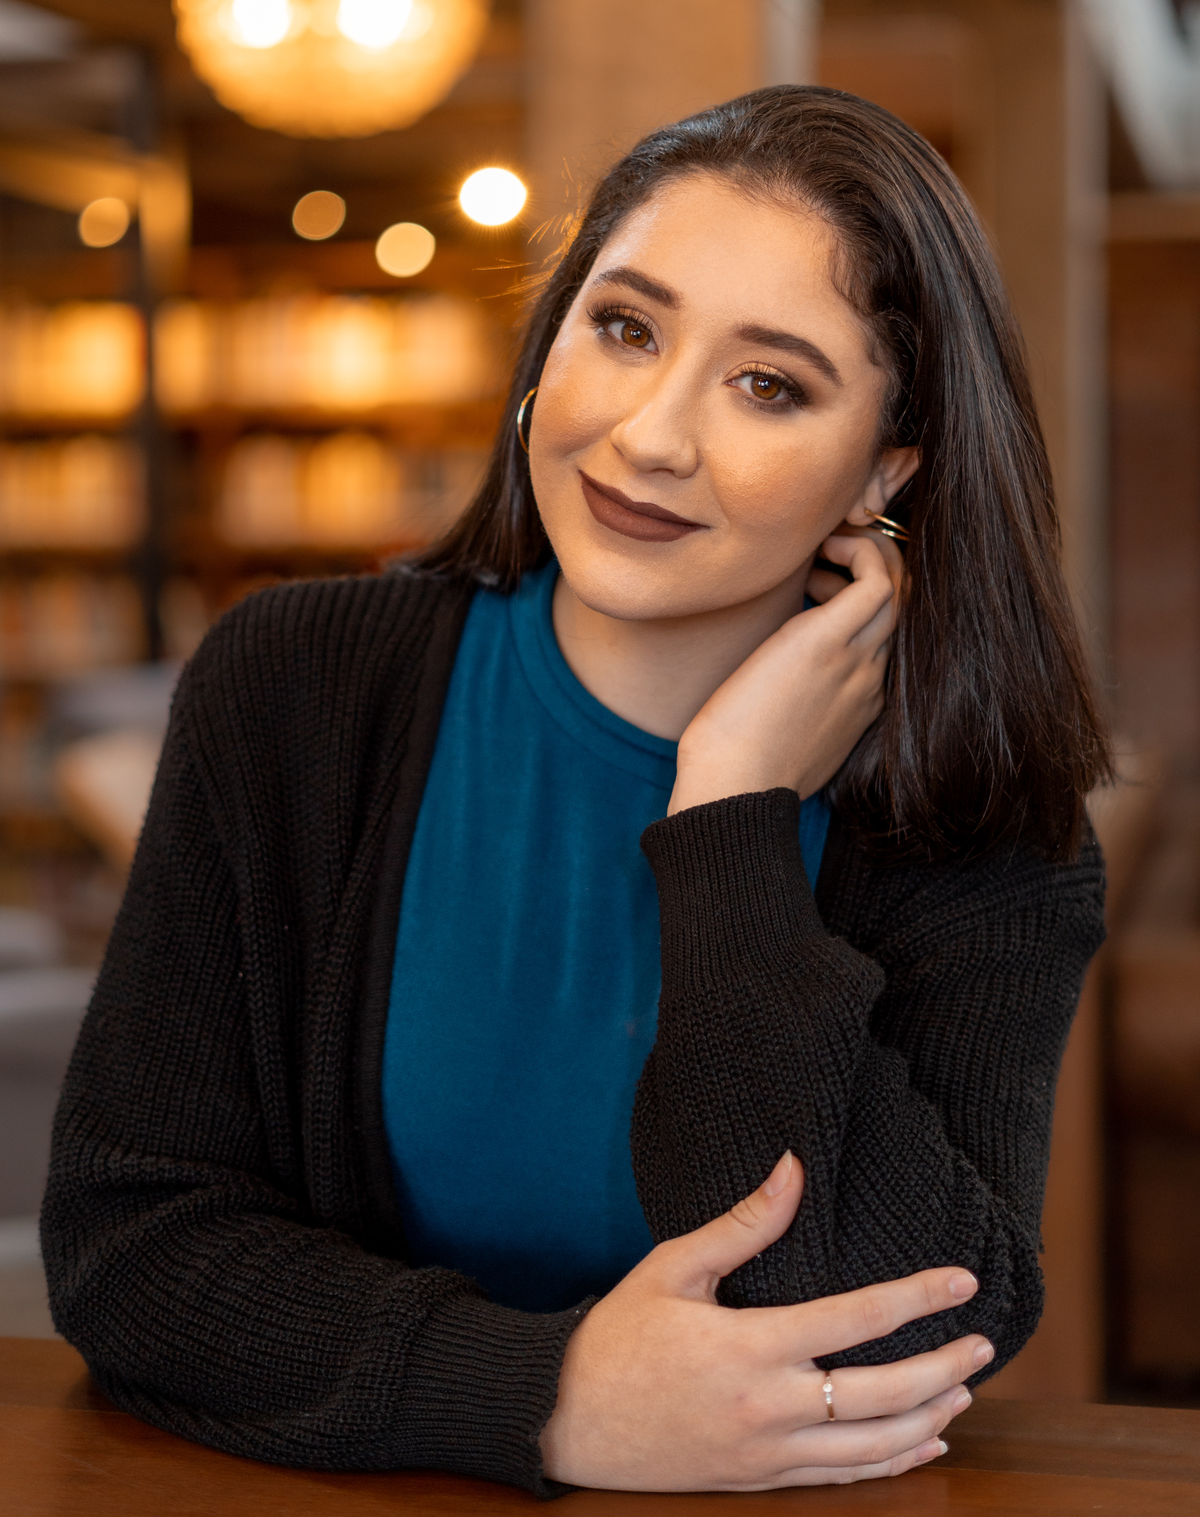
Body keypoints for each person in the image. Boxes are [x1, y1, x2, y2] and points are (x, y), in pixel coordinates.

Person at [42, 86, 1109, 1495]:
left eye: (770, 384)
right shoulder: (295, 687)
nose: (654, 434)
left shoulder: (987, 831)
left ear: (885, 472)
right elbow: (135, 1245)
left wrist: (727, 827)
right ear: (551, 346)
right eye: (626, 327)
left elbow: (908, 1334)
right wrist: (546, 1398)